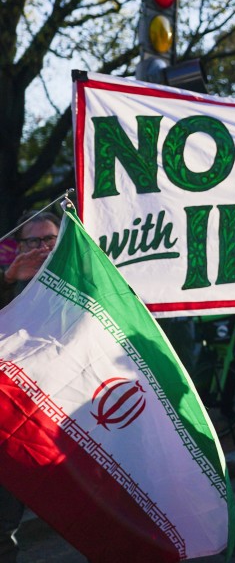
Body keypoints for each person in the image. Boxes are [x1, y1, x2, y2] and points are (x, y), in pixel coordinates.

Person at [1, 210, 62, 562]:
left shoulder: (85, 281)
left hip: (72, 424)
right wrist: (8, 280)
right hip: (15, 425)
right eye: (32, 241)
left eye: (49, 239)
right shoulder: (9, 283)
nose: (41, 248)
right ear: (19, 245)